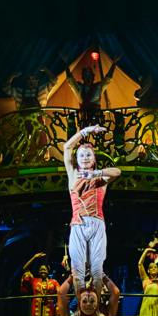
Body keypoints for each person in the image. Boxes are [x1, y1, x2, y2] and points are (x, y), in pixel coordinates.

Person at [62, 124, 121, 292]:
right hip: (77, 224)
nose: (85, 158)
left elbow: (117, 172)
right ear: (77, 158)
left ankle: (96, 304)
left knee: (97, 271)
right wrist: (86, 131)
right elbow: (67, 147)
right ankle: (81, 304)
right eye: (81, 155)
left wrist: (96, 173)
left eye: (89, 155)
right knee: (77, 272)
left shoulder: (100, 178)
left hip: (97, 223)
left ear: (94, 159)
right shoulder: (73, 174)